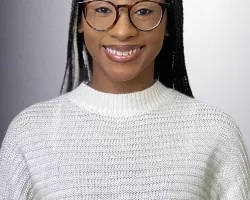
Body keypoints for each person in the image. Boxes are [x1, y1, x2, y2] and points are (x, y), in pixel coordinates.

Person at [0, 0, 249, 199]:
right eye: (102, 9)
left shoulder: (215, 133)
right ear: (80, 19)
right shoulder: (31, 133)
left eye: (143, 10)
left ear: (169, 21)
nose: (123, 31)